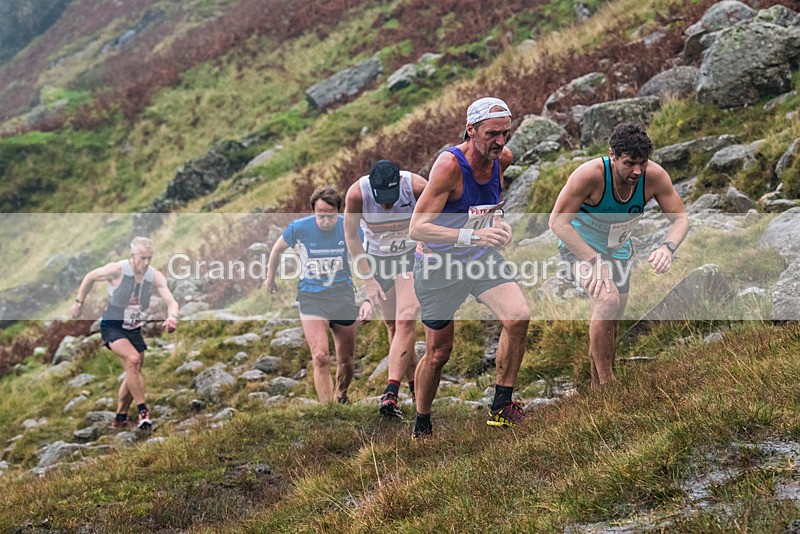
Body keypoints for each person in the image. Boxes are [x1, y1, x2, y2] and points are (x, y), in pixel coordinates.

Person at [408, 97, 531, 438]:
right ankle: (422, 422)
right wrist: (472, 236)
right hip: (439, 267)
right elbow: (417, 227)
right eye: (492, 134)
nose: (500, 141)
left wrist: (499, 226)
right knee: (439, 353)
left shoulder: (502, 158)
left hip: (479, 260)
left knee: (518, 317)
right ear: (471, 130)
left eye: (505, 133)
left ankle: (501, 406)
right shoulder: (449, 166)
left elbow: (488, 206)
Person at [549, 121, 689, 386]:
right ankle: (609, 386)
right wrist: (593, 260)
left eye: (642, 163)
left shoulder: (654, 176)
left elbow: (680, 218)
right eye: (629, 163)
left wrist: (667, 247)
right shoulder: (589, 175)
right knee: (607, 301)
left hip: (619, 251)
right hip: (581, 247)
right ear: (612, 155)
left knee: (612, 321)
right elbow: (557, 222)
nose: (637, 171)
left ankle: (597, 387)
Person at [265, 186, 371, 403]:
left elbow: (367, 259)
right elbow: (277, 249)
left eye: (330, 216)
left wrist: (369, 297)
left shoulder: (349, 227)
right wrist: (270, 278)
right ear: (313, 211)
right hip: (312, 298)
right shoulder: (299, 228)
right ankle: (328, 409)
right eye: (320, 215)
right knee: (321, 357)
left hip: (342, 297)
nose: (325, 220)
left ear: (338, 211)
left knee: (347, 361)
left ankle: (342, 395)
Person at [344, 160, 427, 418]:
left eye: (391, 199)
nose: (387, 205)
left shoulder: (416, 186)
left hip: (409, 256)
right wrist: (368, 279)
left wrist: (426, 248)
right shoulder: (357, 194)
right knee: (393, 326)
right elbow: (351, 236)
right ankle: (415, 388)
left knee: (406, 318)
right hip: (378, 260)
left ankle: (391, 392)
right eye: (382, 200)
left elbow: (437, 217)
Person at [70, 237, 179, 430]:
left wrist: (172, 317)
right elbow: (90, 276)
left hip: (134, 329)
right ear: (133, 256)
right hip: (113, 326)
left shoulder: (154, 276)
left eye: (149, 258)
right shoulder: (117, 270)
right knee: (133, 359)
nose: (146, 263)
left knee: (133, 372)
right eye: (142, 258)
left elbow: (171, 302)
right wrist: (79, 303)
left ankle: (120, 418)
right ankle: (143, 412)